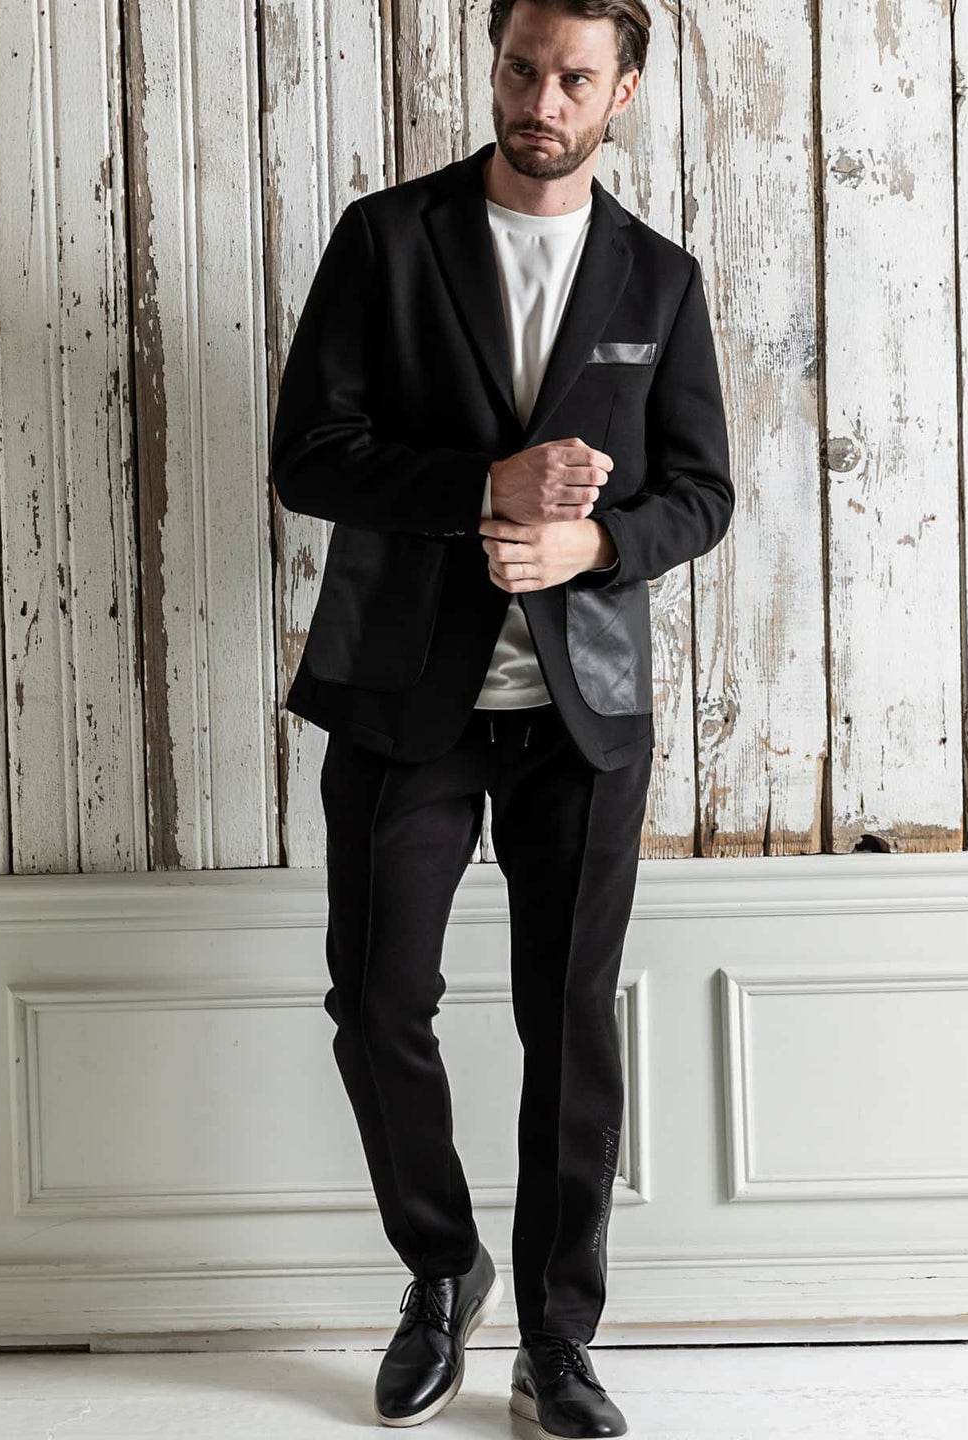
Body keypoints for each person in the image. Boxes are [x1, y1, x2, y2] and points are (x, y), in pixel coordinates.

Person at [270, 0, 732, 1431]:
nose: (542, 100)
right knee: (375, 1005)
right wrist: (488, 487)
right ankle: (441, 1268)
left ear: (623, 91)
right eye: (523, 69)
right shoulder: (387, 239)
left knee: (569, 1023)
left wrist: (593, 544)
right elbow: (310, 456)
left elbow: (702, 493)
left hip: (582, 715)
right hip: (405, 698)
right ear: (494, 66)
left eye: (575, 78)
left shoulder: (659, 279)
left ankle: (557, 1336)